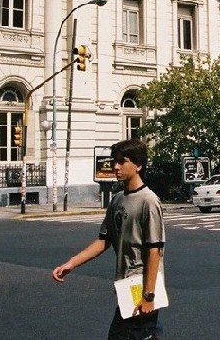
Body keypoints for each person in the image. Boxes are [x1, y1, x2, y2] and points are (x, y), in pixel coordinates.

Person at [52, 139, 165, 340]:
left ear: (138, 165)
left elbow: (154, 250)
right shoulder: (118, 199)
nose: (116, 166)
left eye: (122, 161)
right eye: (115, 161)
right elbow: (104, 240)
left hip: (140, 286)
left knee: (128, 335)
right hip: (126, 286)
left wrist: (148, 296)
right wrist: (71, 264)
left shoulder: (149, 201)